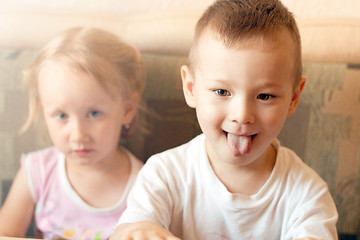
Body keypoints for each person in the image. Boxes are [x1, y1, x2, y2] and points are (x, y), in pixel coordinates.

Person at [110, 0, 338, 239]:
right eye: (222, 92)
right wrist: (139, 231)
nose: (241, 115)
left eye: (264, 96)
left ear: (293, 97)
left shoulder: (308, 194)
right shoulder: (164, 175)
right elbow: (129, 230)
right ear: (191, 88)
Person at [0, 27, 146, 240]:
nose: (78, 135)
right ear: (44, 111)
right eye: (61, 116)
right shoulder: (38, 171)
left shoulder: (146, 184)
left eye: (94, 113)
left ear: (127, 110)